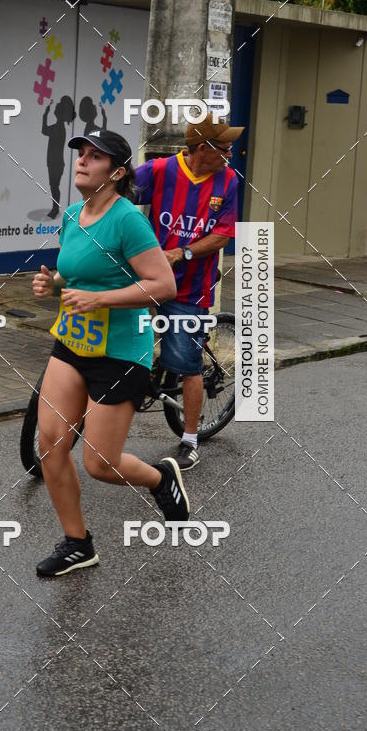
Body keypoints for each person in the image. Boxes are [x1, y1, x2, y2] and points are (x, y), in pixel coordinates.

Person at [32, 129, 190, 577]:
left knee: (100, 463)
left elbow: (164, 286)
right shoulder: (73, 215)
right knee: (51, 447)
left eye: (94, 156)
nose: (82, 160)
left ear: (116, 173)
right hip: (73, 343)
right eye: (80, 153)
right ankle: (78, 544)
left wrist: (101, 300)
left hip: (121, 352)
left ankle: (160, 478)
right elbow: (77, 279)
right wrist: (53, 287)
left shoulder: (127, 221)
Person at [134, 113, 243, 471]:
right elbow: (119, 196)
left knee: (187, 365)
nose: (230, 154)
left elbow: (225, 233)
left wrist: (185, 251)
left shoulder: (227, 180)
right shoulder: (161, 170)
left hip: (191, 288)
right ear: (203, 149)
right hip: (147, 277)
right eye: (224, 148)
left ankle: (190, 440)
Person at [41, 95, 76, 219]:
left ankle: (55, 209)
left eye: (56, 110)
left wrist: (45, 115)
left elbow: (44, 130)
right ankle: (55, 208)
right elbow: (45, 131)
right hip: (54, 162)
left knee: (54, 186)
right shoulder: (59, 127)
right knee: (54, 186)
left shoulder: (59, 128)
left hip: (56, 163)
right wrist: (45, 115)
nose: (55, 111)